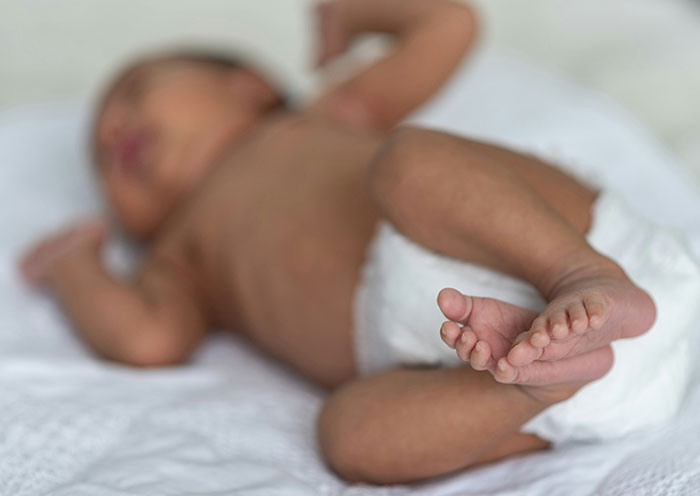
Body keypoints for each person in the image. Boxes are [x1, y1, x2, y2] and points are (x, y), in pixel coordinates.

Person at [20, 0, 698, 485]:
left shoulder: (324, 117)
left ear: (249, 86)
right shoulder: (182, 257)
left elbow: (451, 23)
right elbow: (147, 339)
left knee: (408, 164)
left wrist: (356, 14)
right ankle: (534, 389)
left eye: (135, 91)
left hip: (564, 245)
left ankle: (580, 274)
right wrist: (76, 267)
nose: (113, 131)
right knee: (345, 438)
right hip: (510, 379)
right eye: (100, 157)